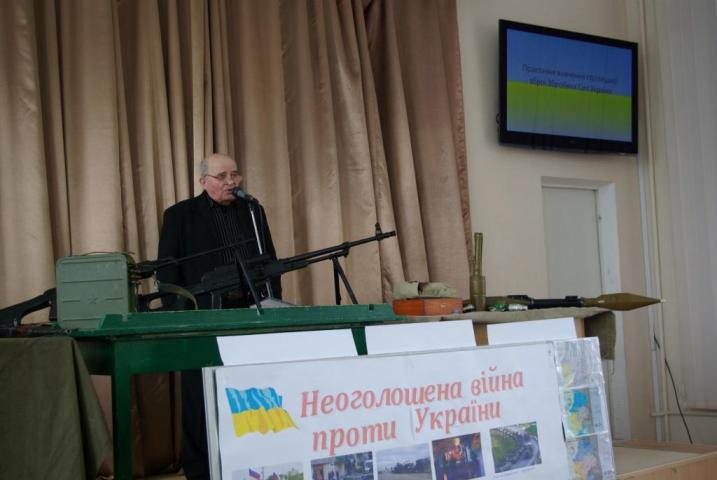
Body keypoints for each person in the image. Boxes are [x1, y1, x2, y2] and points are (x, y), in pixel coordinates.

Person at [157, 153, 282, 480]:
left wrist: (271, 305)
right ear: (203, 181)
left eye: (235, 175)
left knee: (250, 394)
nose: (231, 182)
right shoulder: (180, 215)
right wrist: (182, 318)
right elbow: (167, 275)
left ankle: (250, 465)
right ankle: (201, 471)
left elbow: (270, 262)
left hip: (249, 314)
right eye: (222, 176)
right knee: (200, 398)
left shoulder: (253, 211)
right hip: (202, 318)